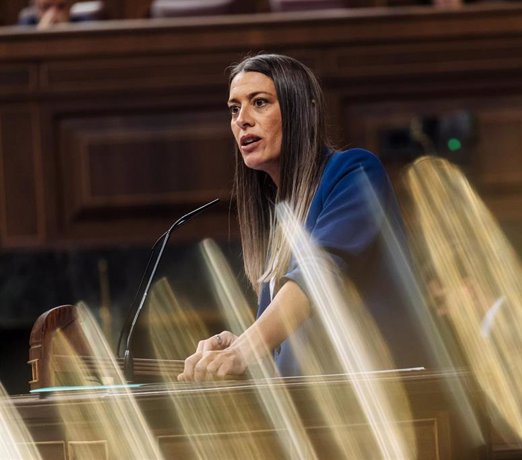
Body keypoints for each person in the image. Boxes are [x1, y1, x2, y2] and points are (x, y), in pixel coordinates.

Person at [178, 54, 428, 381]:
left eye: (260, 102)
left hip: (391, 408)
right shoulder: (280, 222)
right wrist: (237, 347)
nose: (242, 120)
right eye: (234, 109)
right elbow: (292, 358)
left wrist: (244, 351)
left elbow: (318, 275)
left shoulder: (355, 172)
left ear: (303, 110)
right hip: (323, 413)